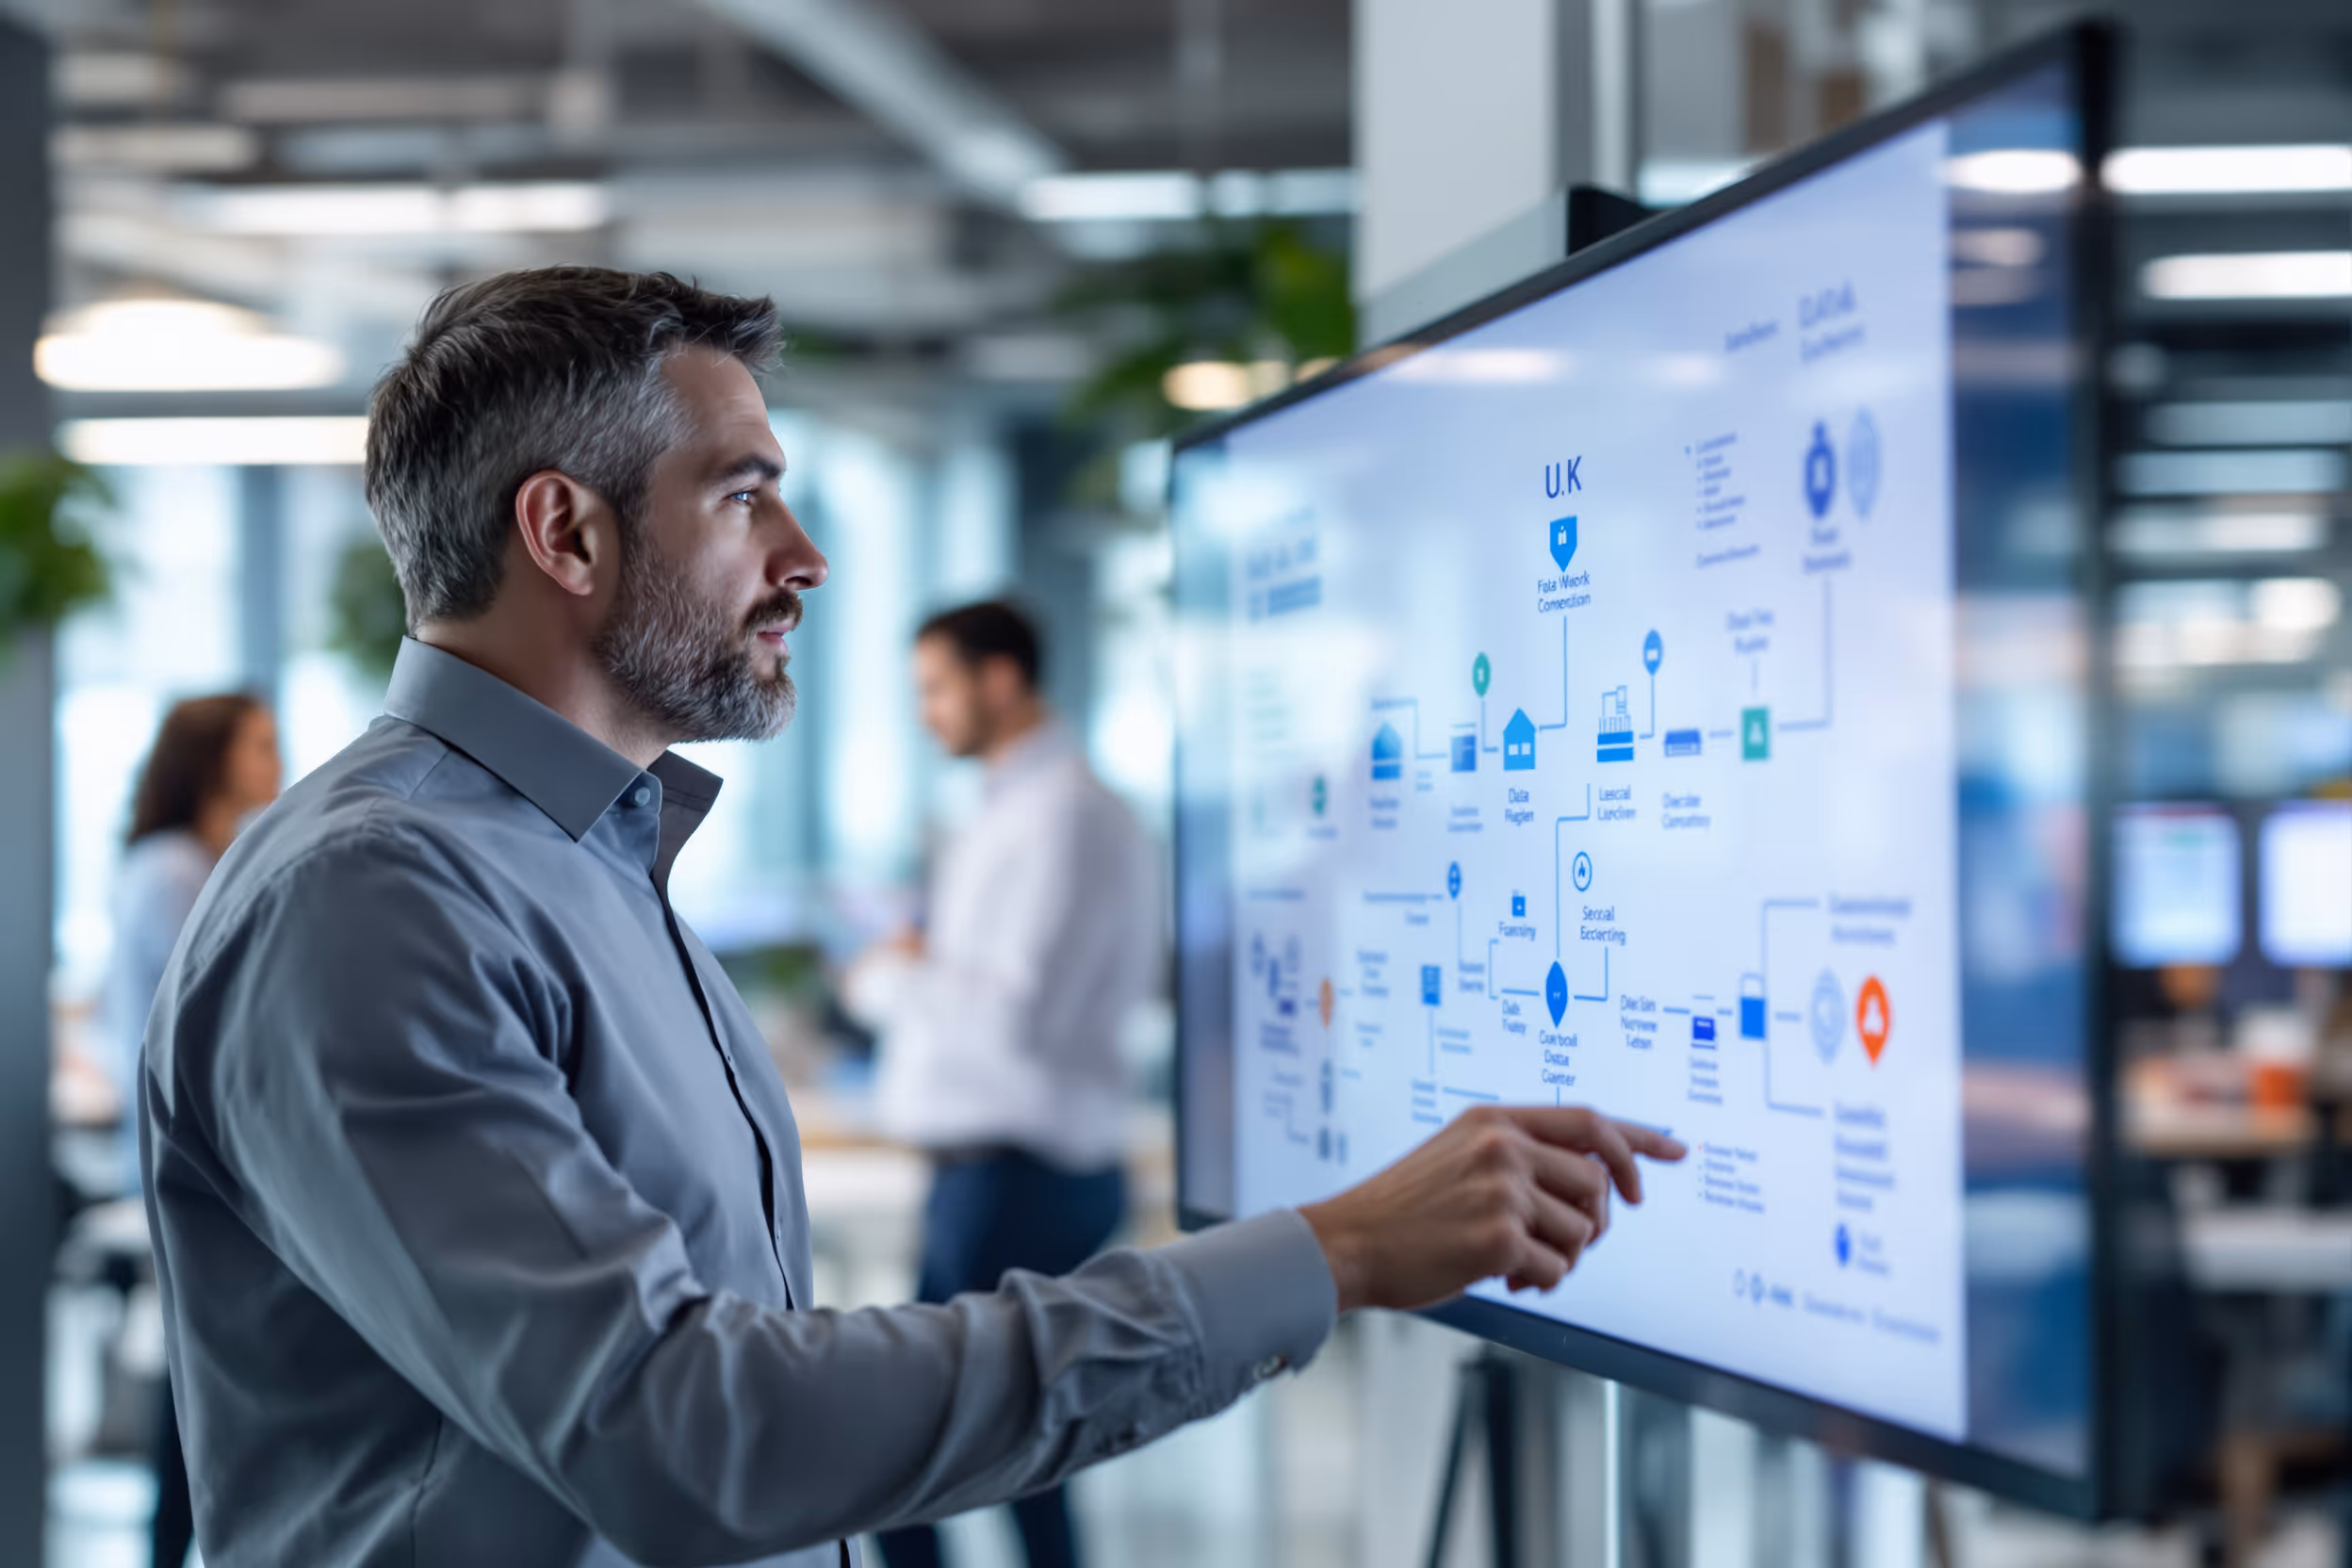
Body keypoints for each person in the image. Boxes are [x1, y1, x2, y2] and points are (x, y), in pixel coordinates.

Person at [138, 267, 1685, 1568]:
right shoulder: (378, 895)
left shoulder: (591, 858)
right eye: (742, 495)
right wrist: (1329, 1250)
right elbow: (686, 1432)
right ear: (566, 533)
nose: (803, 560)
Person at [847, 600, 1152, 1568]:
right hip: (994, 1176)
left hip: (1016, 1176)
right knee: (1019, 1447)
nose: (927, 712)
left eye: (937, 688)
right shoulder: (1024, 807)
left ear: (1001, 678)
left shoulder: (1061, 815)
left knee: (903, 1451)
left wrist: (888, 973)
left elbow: (1015, 1018)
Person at [105, 693, 282, 1568]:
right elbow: (216, 1022)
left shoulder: (201, 860)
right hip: (188, 1166)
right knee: (199, 1399)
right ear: (209, 756)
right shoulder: (176, 871)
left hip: (199, 1157)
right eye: (258, 744)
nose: (275, 762)